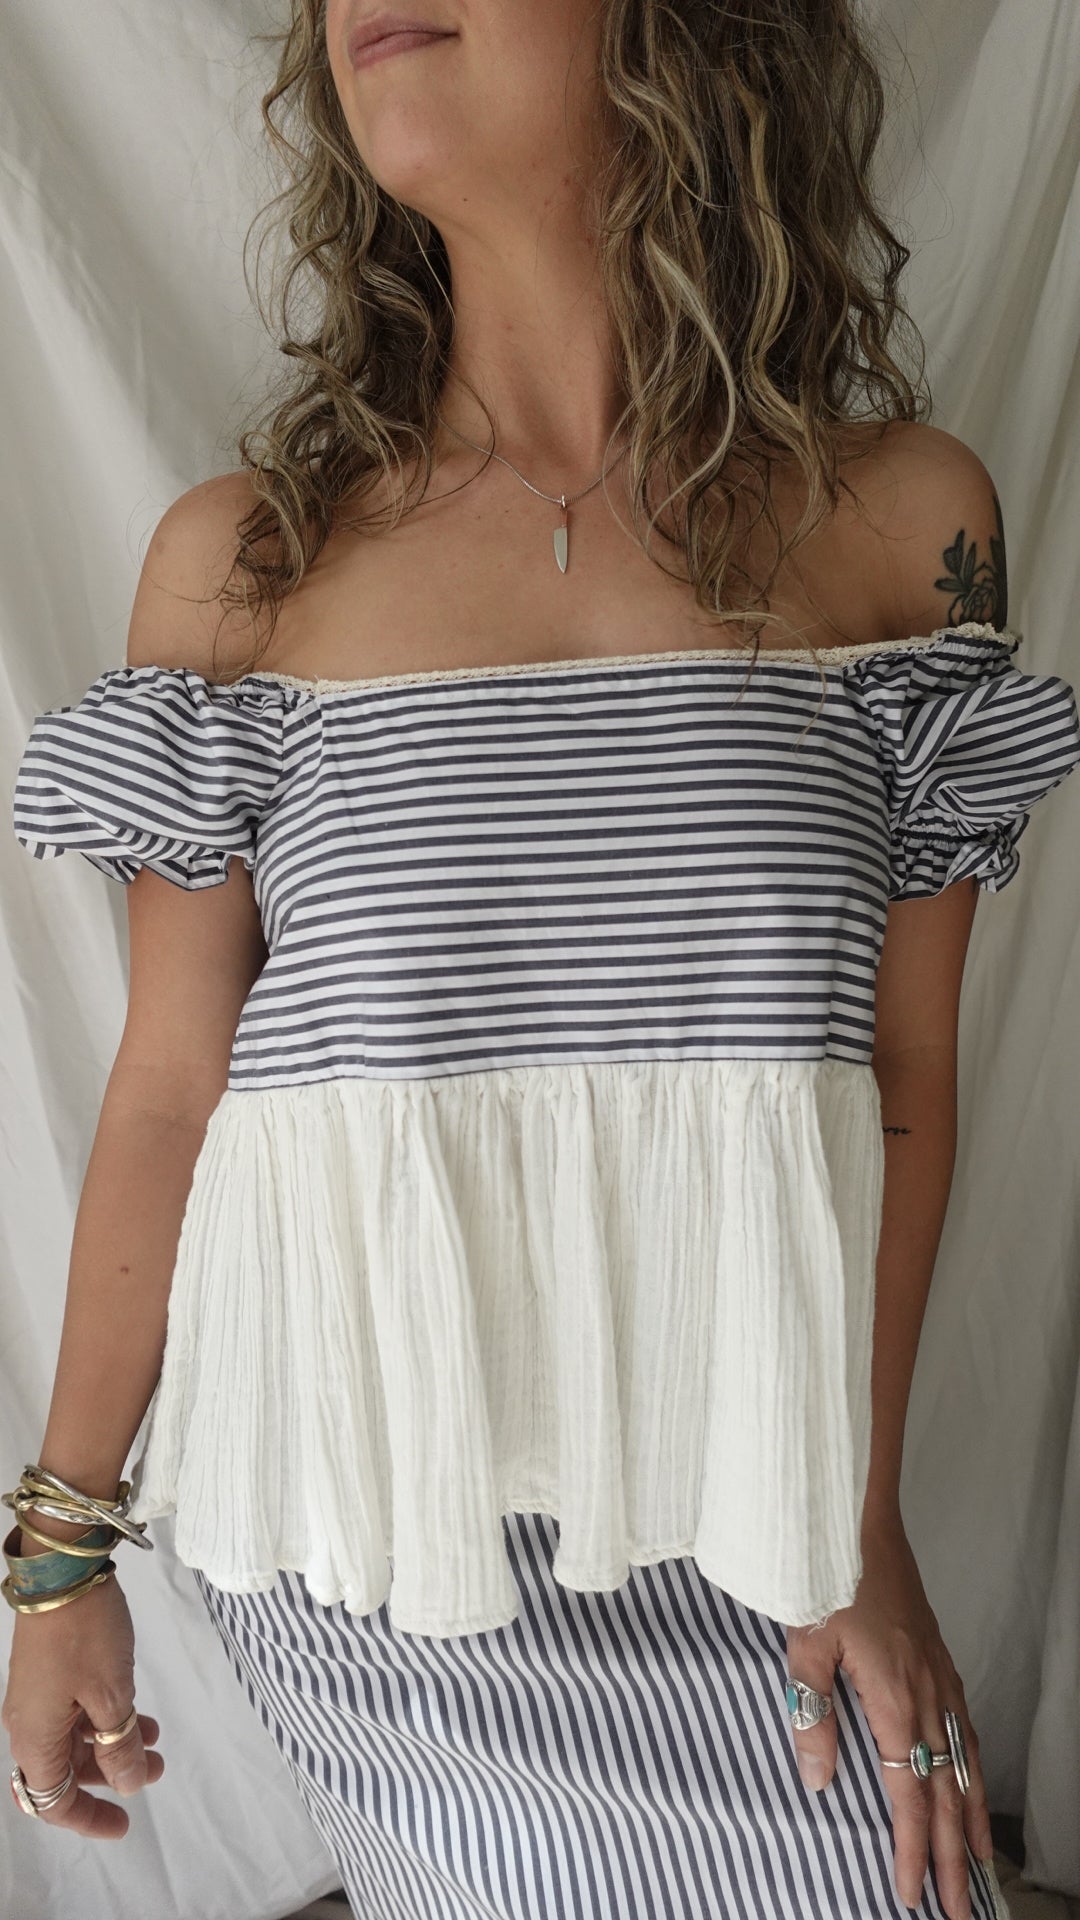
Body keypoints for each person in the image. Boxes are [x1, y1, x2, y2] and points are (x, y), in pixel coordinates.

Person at [4, 2, 1079, 1915]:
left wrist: (855, 1525)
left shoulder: (908, 531)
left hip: (755, 1516)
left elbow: (905, 1079)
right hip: (384, 1546)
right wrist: (55, 1562)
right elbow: (171, 1088)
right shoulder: (247, 566)